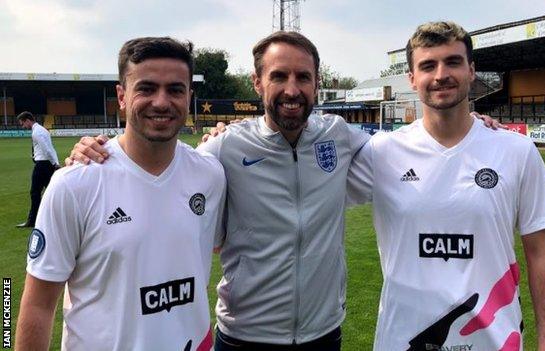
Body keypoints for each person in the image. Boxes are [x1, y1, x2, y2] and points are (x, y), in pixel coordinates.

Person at [66, 31, 503, 351]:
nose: (292, 89)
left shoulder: (340, 137)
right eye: (279, 76)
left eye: (303, 77)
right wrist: (96, 149)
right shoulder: (223, 148)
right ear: (258, 83)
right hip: (243, 338)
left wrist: (471, 123)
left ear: (316, 83)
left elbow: (416, 149)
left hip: (322, 335)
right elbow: (163, 170)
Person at [350, 21, 545, 351]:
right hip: (403, 341)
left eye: (453, 62)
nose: (441, 75)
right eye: (427, 65)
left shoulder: (516, 151)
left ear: (471, 71)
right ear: (411, 78)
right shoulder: (380, 153)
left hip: (496, 342)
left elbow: (540, 253)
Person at [15, 37, 225, 351]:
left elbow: (214, 250)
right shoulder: (74, 184)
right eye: (147, 88)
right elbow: (38, 305)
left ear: (189, 97)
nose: (161, 101)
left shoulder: (211, 174)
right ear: (122, 95)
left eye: (175, 90)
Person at [16, 111, 60, 228]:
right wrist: (55, 163)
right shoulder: (42, 130)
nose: (23, 127)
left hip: (42, 166)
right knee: (52, 192)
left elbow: (47, 150)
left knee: (35, 193)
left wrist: (55, 163)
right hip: (47, 164)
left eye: (23, 124)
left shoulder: (37, 132)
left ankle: (32, 220)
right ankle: (57, 218)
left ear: (28, 120)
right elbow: (50, 148)